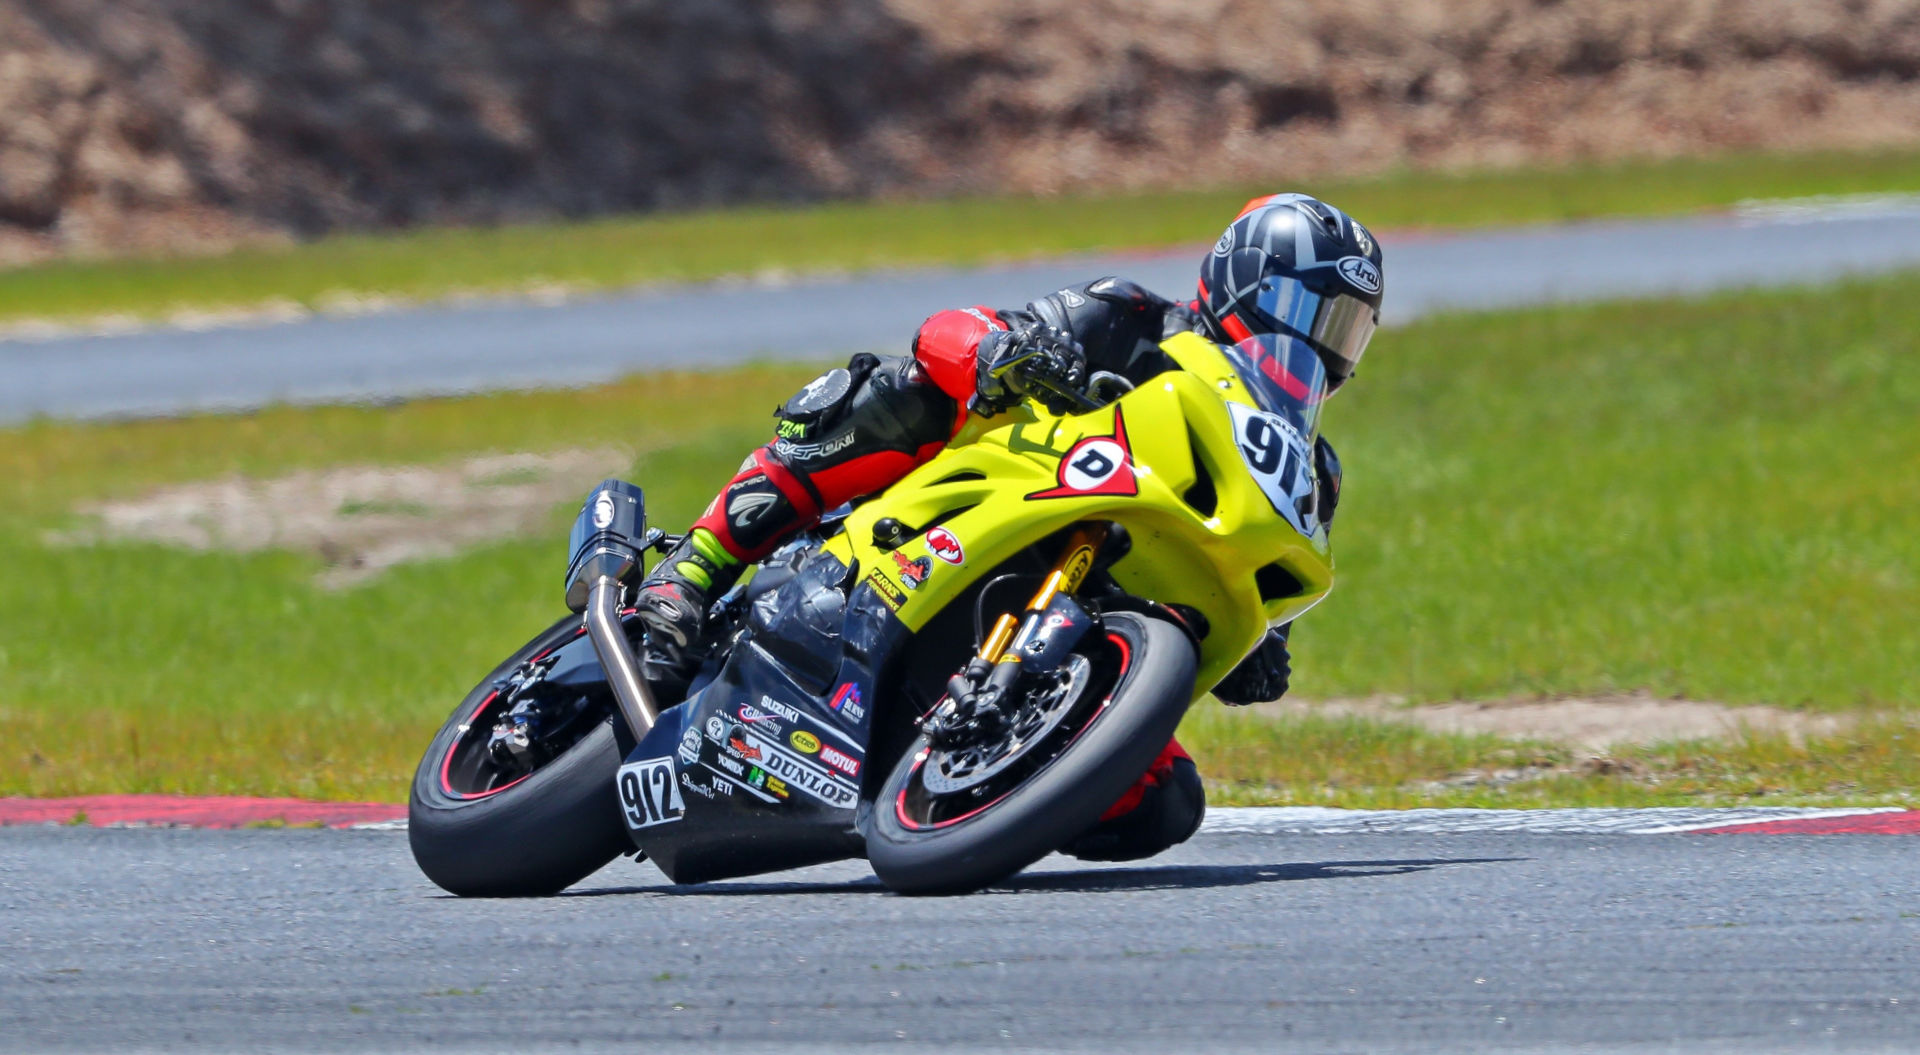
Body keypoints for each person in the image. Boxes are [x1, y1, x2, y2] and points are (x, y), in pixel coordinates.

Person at [637, 192, 1384, 861]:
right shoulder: (1129, 319)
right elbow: (951, 331)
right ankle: (698, 566)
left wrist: (1263, 648)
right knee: (903, 393)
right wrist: (1001, 350)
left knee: (1168, 803)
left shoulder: (1313, 469)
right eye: (1311, 309)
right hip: (969, 503)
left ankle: (980, 794)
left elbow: (1258, 570)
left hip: (1087, 616)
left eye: (1348, 325)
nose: (1325, 339)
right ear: (1244, 281)